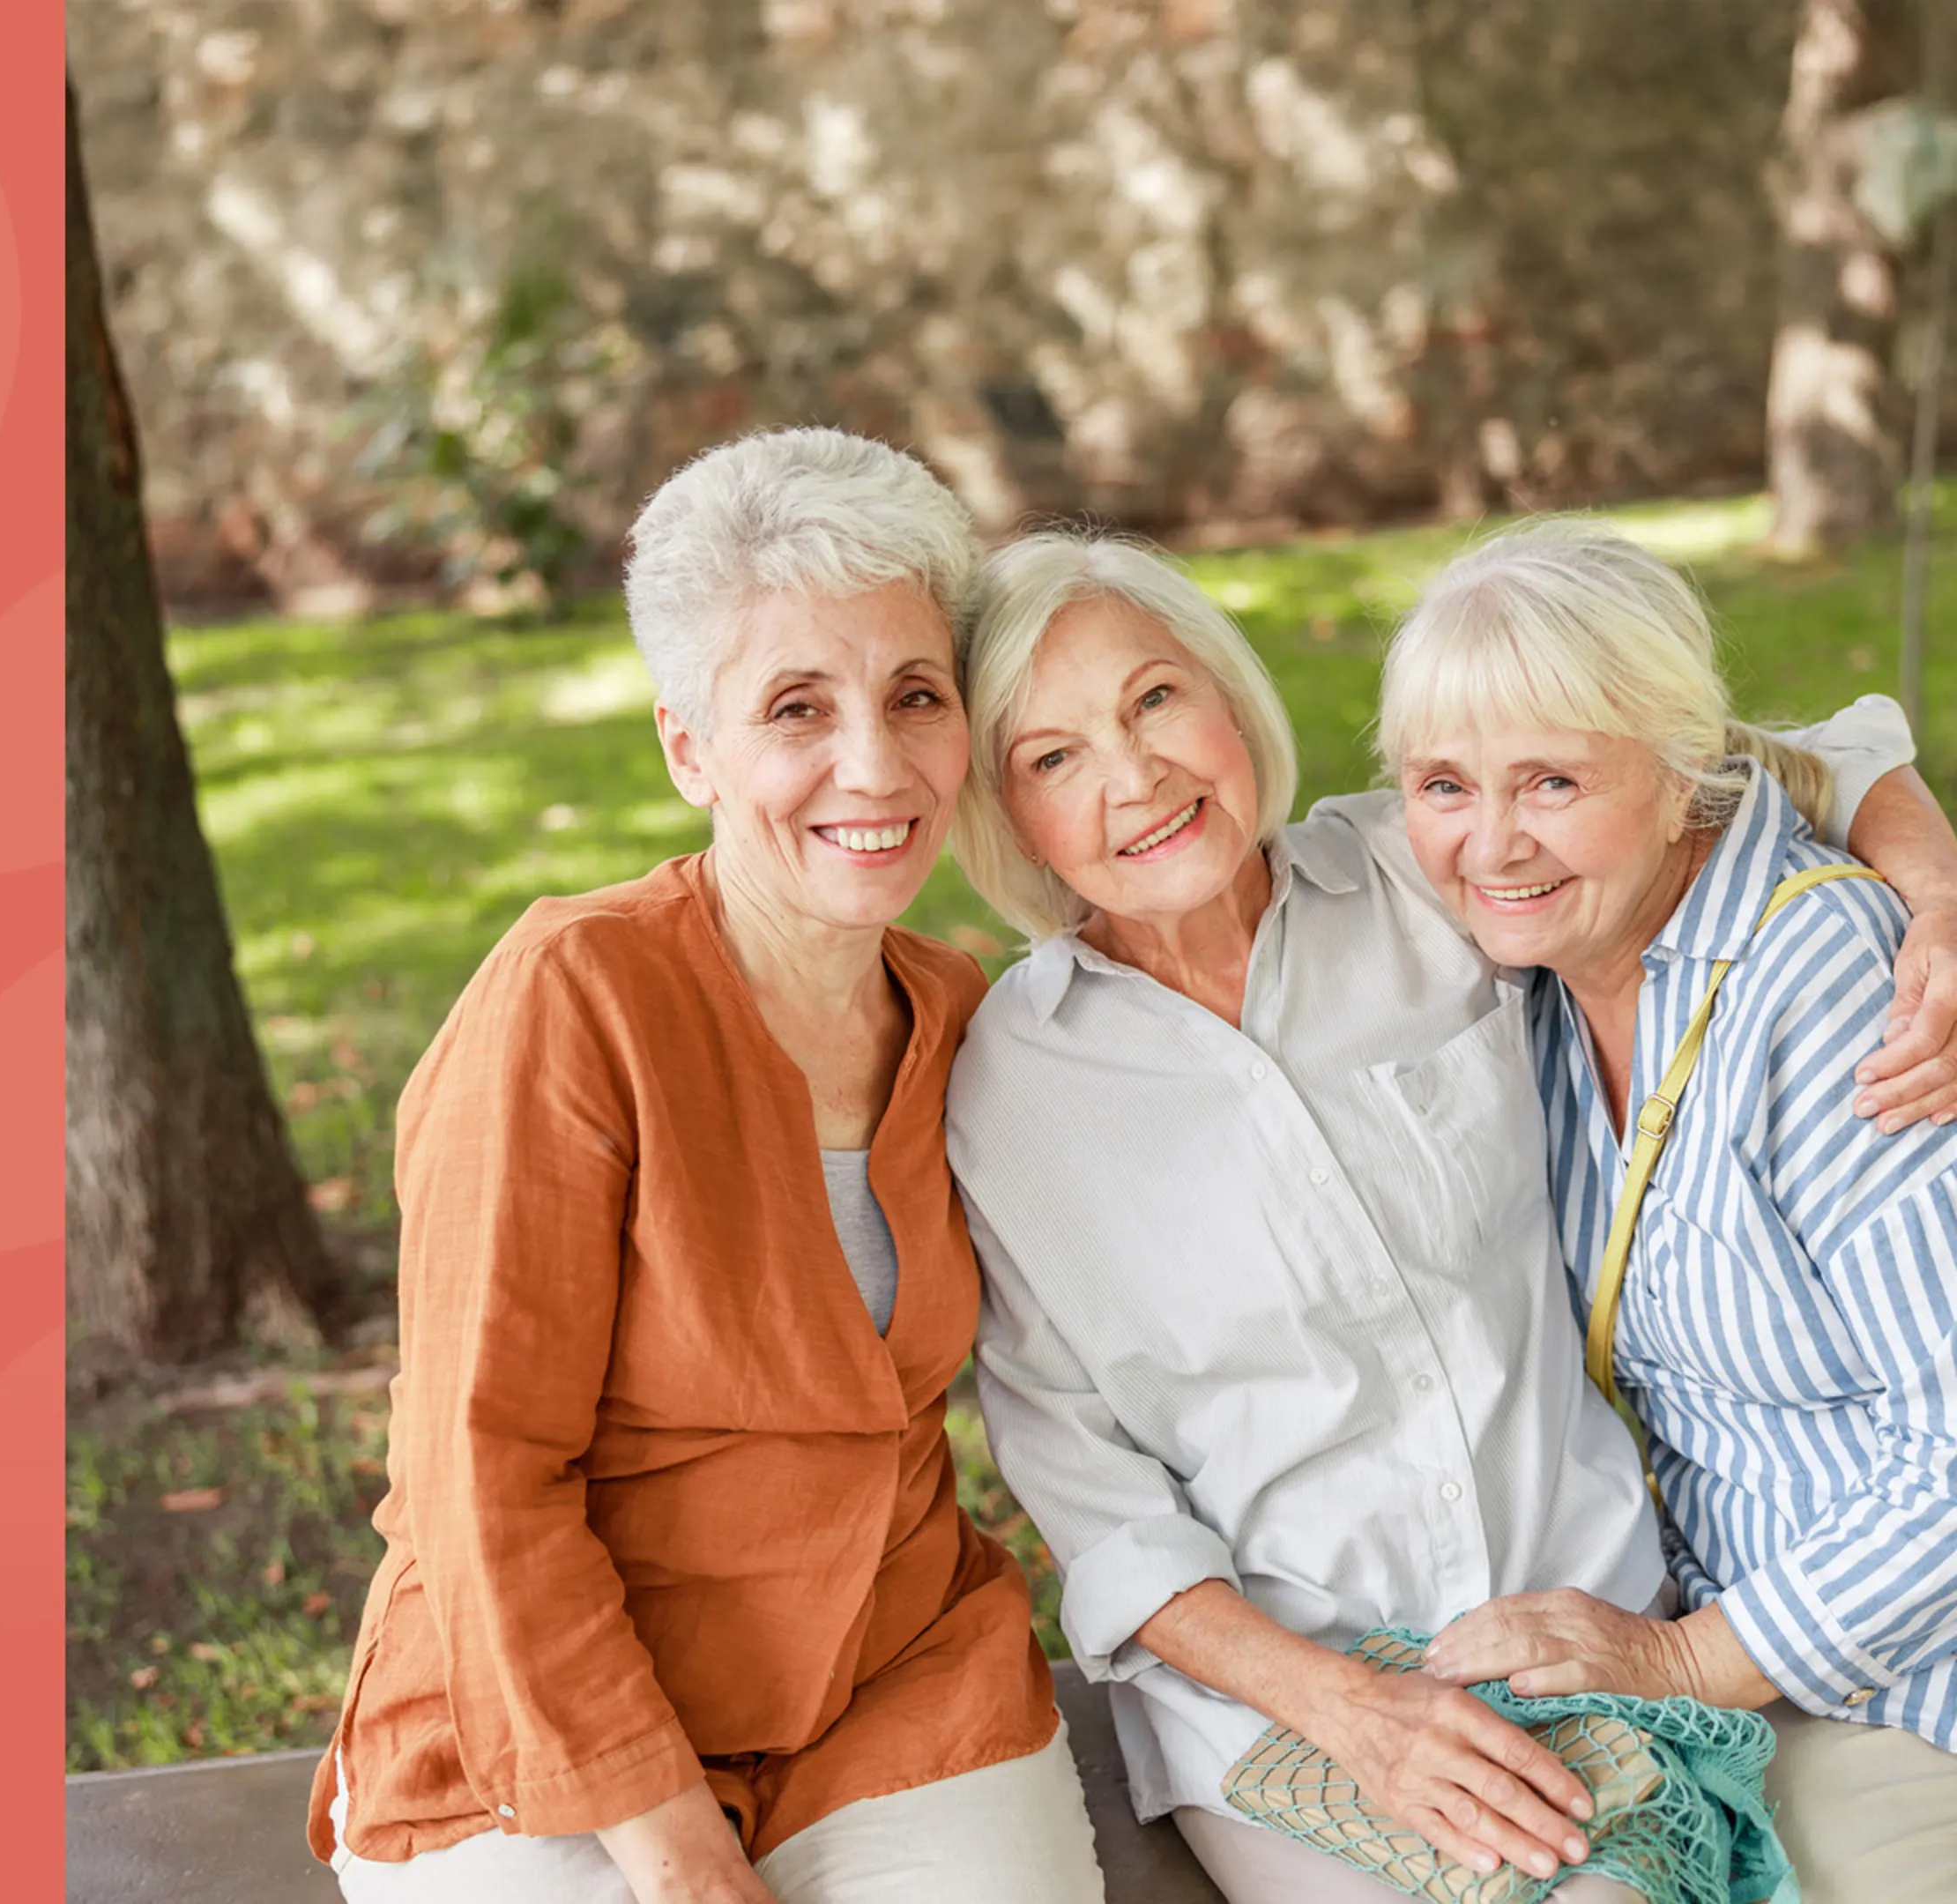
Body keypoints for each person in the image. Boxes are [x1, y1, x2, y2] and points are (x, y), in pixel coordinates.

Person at [939, 526, 1957, 1901]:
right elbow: (1097, 1501)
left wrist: (1930, 878)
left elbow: (1734, 759)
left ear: (1229, 693)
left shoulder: (1432, 872)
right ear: (1006, 815)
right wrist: (1351, 1712)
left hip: (1595, 1621)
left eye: (1155, 698)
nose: (1136, 777)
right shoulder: (1007, 1090)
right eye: (1052, 758)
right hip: (1293, 1710)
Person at [307, 428, 1105, 1904]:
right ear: (690, 748)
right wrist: (664, 1838)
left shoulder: (961, 1015)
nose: (874, 765)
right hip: (545, 1708)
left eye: (914, 696)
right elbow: (480, 1471)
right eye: (795, 707)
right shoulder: (574, 996)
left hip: (885, 1679)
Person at [1361, 520, 1957, 1904]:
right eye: (1444, 784)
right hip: (1741, 1656)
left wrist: (1694, 1661)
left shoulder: (1825, 985)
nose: (1492, 842)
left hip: (1905, 1681)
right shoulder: (1559, 965)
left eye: (1553, 780)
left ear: (1686, 770)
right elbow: (1844, 741)